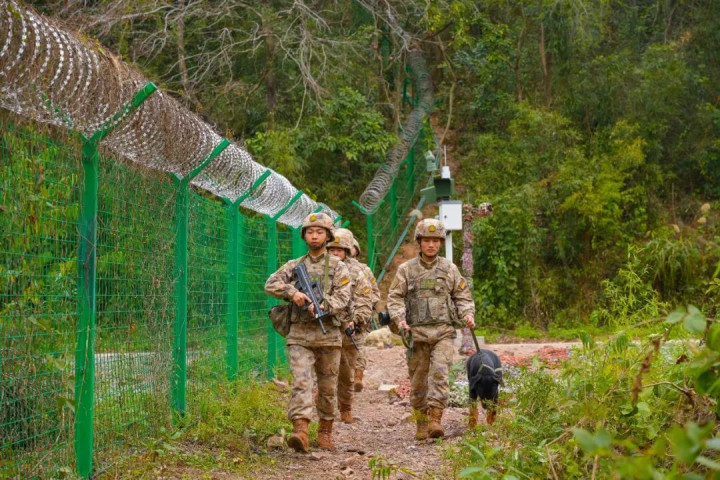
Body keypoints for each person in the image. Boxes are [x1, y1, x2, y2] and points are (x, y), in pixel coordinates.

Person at [264, 212, 352, 452]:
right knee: (301, 382)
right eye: (310, 232)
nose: (314, 236)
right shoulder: (295, 266)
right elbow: (270, 284)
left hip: (329, 336)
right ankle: (300, 431)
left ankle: (325, 431)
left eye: (319, 232)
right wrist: (293, 293)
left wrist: (323, 306)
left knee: (327, 387)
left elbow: (343, 297)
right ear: (304, 235)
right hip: (299, 335)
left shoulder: (339, 267)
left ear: (328, 236)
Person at [386, 218, 476, 440]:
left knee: (440, 374)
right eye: (427, 240)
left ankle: (436, 419)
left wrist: (467, 314)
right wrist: (400, 320)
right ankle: (421, 422)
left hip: (443, 333)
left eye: (436, 240)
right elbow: (395, 297)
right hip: (416, 335)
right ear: (419, 241)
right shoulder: (406, 270)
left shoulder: (449, 269)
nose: (431, 245)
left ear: (440, 242)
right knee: (418, 381)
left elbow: (462, 295)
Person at [326, 228, 372, 423]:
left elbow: (367, 297)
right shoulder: (319, 268)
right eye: (332, 249)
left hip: (348, 327)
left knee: (346, 372)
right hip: (325, 326)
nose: (335, 253)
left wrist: (358, 319)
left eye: (339, 249)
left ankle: (345, 408)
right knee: (326, 371)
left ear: (347, 250)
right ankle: (325, 410)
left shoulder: (358, 272)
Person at [350, 237, 380, 392]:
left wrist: (365, 308)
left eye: (352, 247)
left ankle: (358, 376)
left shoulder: (364, 270)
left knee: (359, 346)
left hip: (359, 316)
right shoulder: (330, 267)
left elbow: (375, 293)